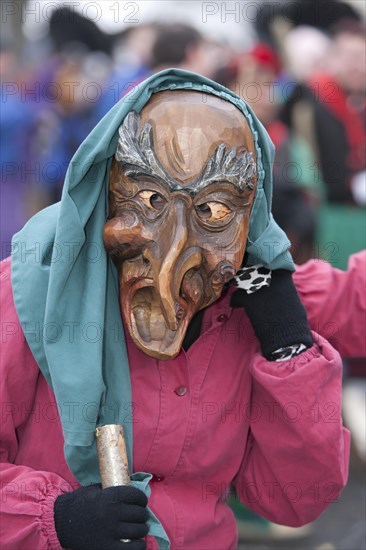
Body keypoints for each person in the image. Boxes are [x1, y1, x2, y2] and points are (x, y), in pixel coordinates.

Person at [1, 70, 351, 550]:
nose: (174, 257)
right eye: (149, 199)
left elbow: (294, 500)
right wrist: (53, 519)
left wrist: (288, 343)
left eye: (214, 212)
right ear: (105, 187)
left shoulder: (250, 296)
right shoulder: (30, 291)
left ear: (253, 218)